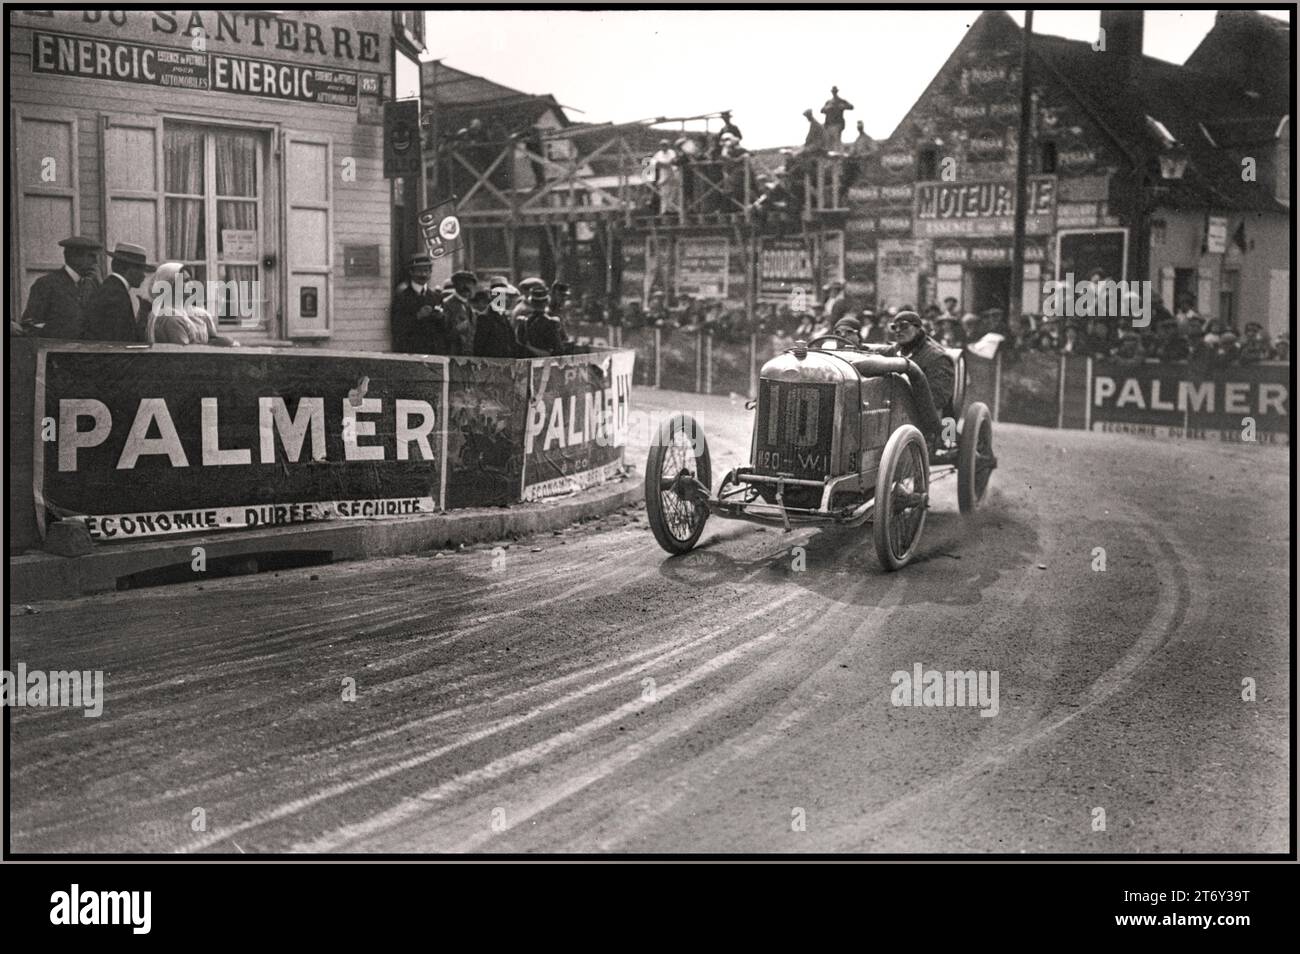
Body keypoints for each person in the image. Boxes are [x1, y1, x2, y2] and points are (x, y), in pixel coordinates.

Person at [883, 310, 955, 449]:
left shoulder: (937, 358)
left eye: (904, 326)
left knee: (947, 441)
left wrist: (947, 437)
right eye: (894, 327)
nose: (898, 331)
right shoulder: (893, 351)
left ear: (917, 328)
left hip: (928, 423)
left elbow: (939, 399)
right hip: (893, 415)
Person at [17, 235, 102, 339]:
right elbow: (30, 326)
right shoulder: (47, 284)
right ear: (73, 257)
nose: (95, 262)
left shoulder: (92, 285)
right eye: (91, 256)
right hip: (57, 352)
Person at [145, 262, 239, 346]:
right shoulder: (169, 318)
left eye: (190, 280)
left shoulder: (192, 313)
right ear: (170, 285)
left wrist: (225, 341)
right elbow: (186, 353)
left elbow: (208, 339)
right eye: (185, 281)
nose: (191, 284)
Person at [84, 242, 153, 342]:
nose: (144, 275)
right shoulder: (116, 295)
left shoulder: (111, 287)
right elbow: (122, 340)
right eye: (140, 269)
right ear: (125, 268)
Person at [391, 253, 440, 353]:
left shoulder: (436, 297)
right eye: (419, 271)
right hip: (410, 351)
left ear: (430, 272)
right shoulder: (402, 297)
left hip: (432, 352)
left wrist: (441, 317)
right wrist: (418, 316)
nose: (423, 275)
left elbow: (441, 329)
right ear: (411, 272)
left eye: (426, 271)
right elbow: (397, 326)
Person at [522, 286, 568, 357]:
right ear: (547, 302)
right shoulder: (550, 323)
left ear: (531, 303)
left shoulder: (524, 321)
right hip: (546, 363)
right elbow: (559, 350)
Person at [440, 269, 478, 355]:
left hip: (468, 357)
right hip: (452, 355)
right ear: (455, 284)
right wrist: (457, 330)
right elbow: (441, 335)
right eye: (462, 282)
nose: (466, 286)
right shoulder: (447, 304)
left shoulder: (469, 306)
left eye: (470, 283)